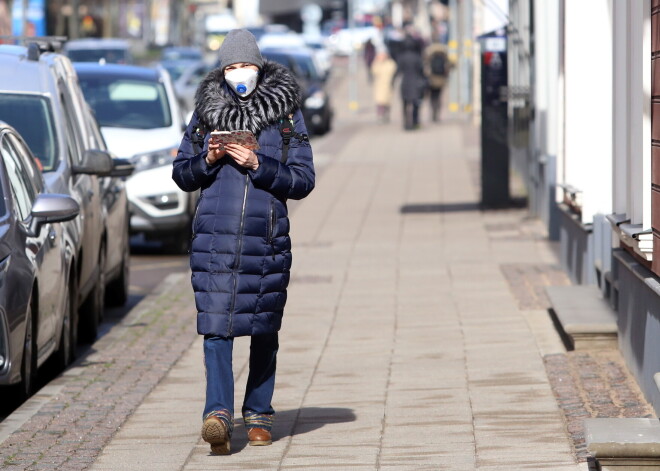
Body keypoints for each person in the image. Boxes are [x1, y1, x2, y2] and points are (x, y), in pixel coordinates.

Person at [171, 29, 315, 455]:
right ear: (222, 71)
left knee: (264, 327)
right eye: (231, 67)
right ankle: (217, 415)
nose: (239, 74)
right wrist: (209, 158)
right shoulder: (205, 113)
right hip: (214, 241)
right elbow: (181, 174)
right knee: (215, 327)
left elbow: (303, 179)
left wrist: (259, 163)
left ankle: (258, 414)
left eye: (246, 66)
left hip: (266, 238)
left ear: (260, 67)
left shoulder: (286, 114)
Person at [394, 34, 427, 130]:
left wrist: (392, 82)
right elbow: (422, 71)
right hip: (416, 83)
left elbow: (398, 71)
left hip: (405, 83)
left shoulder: (401, 57)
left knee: (405, 104)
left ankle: (406, 123)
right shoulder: (417, 57)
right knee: (416, 105)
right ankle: (415, 122)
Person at [424, 41, 451, 122]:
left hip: (432, 79)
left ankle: (433, 112)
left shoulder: (430, 54)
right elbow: (450, 65)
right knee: (438, 97)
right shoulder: (444, 55)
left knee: (432, 97)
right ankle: (437, 113)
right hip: (441, 80)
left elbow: (425, 66)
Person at [370, 49, 397, 122]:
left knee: (387, 101)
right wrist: (378, 61)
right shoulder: (377, 63)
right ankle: (380, 115)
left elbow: (393, 71)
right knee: (380, 101)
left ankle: (386, 114)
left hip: (388, 84)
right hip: (380, 85)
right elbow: (374, 71)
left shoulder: (390, 63)